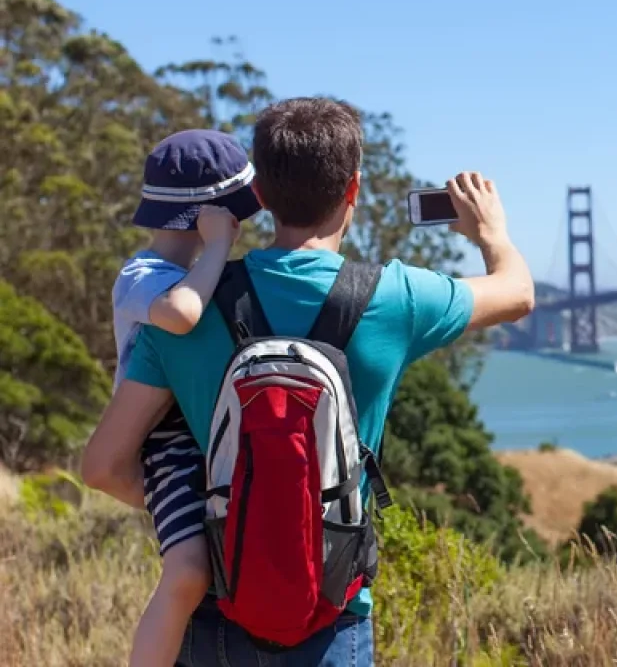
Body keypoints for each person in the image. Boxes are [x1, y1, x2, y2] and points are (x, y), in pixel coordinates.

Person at [82, 97, 535, 666]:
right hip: (332, 620)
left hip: (214, 615)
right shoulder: (395, 298)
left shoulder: (182, 308)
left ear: (262, 197)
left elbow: (102, 466)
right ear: (353, 190)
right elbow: (517, 292)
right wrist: (490, 231)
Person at [98, 129, 261, 667]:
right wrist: (216, 245)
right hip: (165, 441)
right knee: (189, 569)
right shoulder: (141, 275)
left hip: (206, 431)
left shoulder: (197, 274)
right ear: (211, 216)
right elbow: (181, 314)